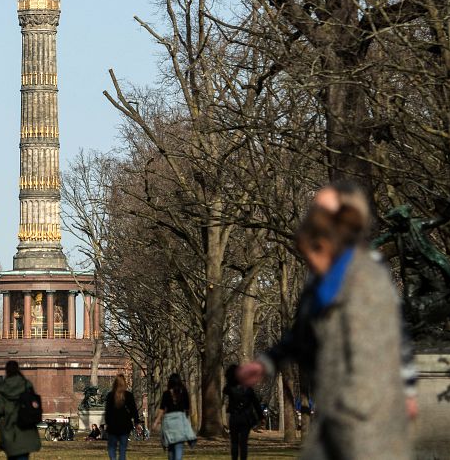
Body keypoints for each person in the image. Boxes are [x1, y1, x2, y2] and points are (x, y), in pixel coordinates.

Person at [237, 182, 411, 459]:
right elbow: (302, 334)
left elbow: (393, 338)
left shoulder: (368, 274)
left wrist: (406, 391)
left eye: (323, 210)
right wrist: (266, 362)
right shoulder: (317, 279)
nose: (314, 214)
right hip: (333, 414)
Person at [0, 360, 42, 460]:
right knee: (23, 454)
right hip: (26, 425)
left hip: (9, 428)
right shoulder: (26, 384)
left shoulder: (2, 387)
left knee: (12, 454)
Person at [152, 373, 196, 460]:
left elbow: (162, 409)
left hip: (169, 422)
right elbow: (187, 408)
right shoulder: (183, 393)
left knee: (171, 447)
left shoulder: (166, 394)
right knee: (179, 446)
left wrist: (156, 421)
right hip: (180, 420)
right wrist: (186, 420)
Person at [224, 364, 263, 460]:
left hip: (234, 417)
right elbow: (255, 403)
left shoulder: (229, 388)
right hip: (246, 418)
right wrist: (261, 416)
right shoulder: (248, 388)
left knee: (234, 442)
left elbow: (225, 390)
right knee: (243, 443)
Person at [103, 374, 141, 460]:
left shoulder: (110, 396)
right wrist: (136, 422)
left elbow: (107, 412)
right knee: (122, 449)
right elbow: (134, 410)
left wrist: (107, 423)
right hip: (125, 426)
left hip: (113, 426)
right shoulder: (129, 395)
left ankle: (113, 458)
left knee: (112, 447)